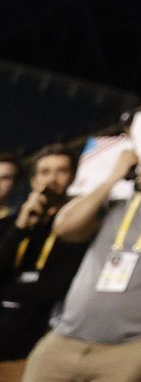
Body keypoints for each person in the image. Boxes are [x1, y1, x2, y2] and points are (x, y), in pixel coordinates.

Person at [25, 142, 141, 382]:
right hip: (64, 339)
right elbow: (64, 227)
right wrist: (113, 176)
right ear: (140, 168)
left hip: (126, 351)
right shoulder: (113, 206)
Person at [0, 149, 82, 382]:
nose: (52, 179)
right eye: (45, 172)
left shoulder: (79, 226)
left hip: (35, 346)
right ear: (34, 180)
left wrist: (7, 290)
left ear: (73, 177)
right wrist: (20, 227)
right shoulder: (12, 223)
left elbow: (58, 286)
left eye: (61, 171)